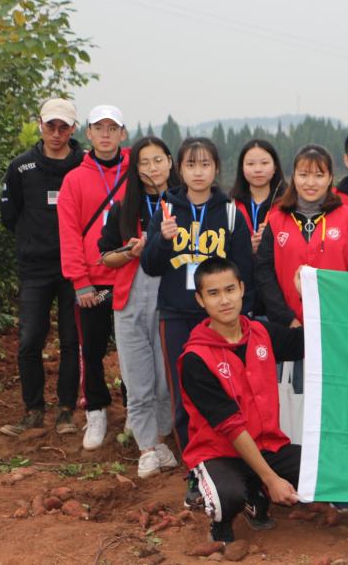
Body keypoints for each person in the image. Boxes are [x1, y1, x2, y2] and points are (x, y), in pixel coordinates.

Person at [141, 137, 255, 470]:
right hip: (176, 314)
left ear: (216, 168)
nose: (198, 172)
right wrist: (163, 240)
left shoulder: (231, 213)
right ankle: (195, 465)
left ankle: (230, 459)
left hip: (221, 319)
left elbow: (244, 271)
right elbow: (150, 266)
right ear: (180, 169)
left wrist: (242, 316)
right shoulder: (166, 208)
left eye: (205, 164)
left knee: (227, 389)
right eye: (191, 165)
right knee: (182, 392)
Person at [179, 257, 303, 544]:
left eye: (230, 290)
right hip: (220, 453)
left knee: (321, 468)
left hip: (267, 445)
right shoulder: (196, 358)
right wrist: (272, 479)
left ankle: (256, 491)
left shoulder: (261, 333)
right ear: (200, 300)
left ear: (242, 289)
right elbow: (231, 427)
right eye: (213, 293)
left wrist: (305, 295)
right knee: (227, 498)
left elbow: (307, 341)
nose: (224, 300)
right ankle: (223, 517)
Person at [255, 145, 348, 441]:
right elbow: (264, 272)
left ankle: (335, 448)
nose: (310, 182)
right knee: (292, 393)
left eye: (319, 175)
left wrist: (337, 314)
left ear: (331, 177)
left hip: (335, 326)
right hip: (290, 326)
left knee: (334, 393)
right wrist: (286, 319)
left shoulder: (347, 217)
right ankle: (295, 450)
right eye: (303, 174)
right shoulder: (277, 218)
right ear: (293, 177)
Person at [0, 99, 85, 437]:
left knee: (71, 340)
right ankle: (33, 411)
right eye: (51, 126)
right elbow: (10, 214)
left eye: (63, 127)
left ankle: (66, 411)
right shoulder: (21, 167)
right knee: (30, 340)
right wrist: (31, 240)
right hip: (35, 268)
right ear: (40, 125)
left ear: (73, 129)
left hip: (74, 268)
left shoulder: (84, 165)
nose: (57, 133)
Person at [97, 137, 180, 478]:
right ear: (135, 168)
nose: (152, 168)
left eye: (158, 160)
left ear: (170, 162)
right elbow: (105, 256)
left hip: (171, 300)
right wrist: (129, 252)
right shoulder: (123, 208)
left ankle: (161, 439)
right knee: (137, 378)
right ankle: (147, 447)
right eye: (144, 163)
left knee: (165, 380)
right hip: (130, 300)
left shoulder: (184, 203)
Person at [56, 104, 130, 450]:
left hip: (130, 277)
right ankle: (96, 410)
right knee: (93, 350)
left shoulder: (136, 172)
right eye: (98, 128)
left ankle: (134, 410)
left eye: (112, 128)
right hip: (93, 281)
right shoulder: (74, 179)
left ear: (122, 133)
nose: (105, 134)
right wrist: (79, 280)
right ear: (88, 133)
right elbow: (69, 233)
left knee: (133, 351)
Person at [228, 139, 286, 255]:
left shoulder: (288, 204)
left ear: (275, 166)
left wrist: (271, 237)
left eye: (264, 163)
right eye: (250, 164)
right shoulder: (230, 205)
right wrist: (245, 245)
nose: (258, 169)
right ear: (242, 168)